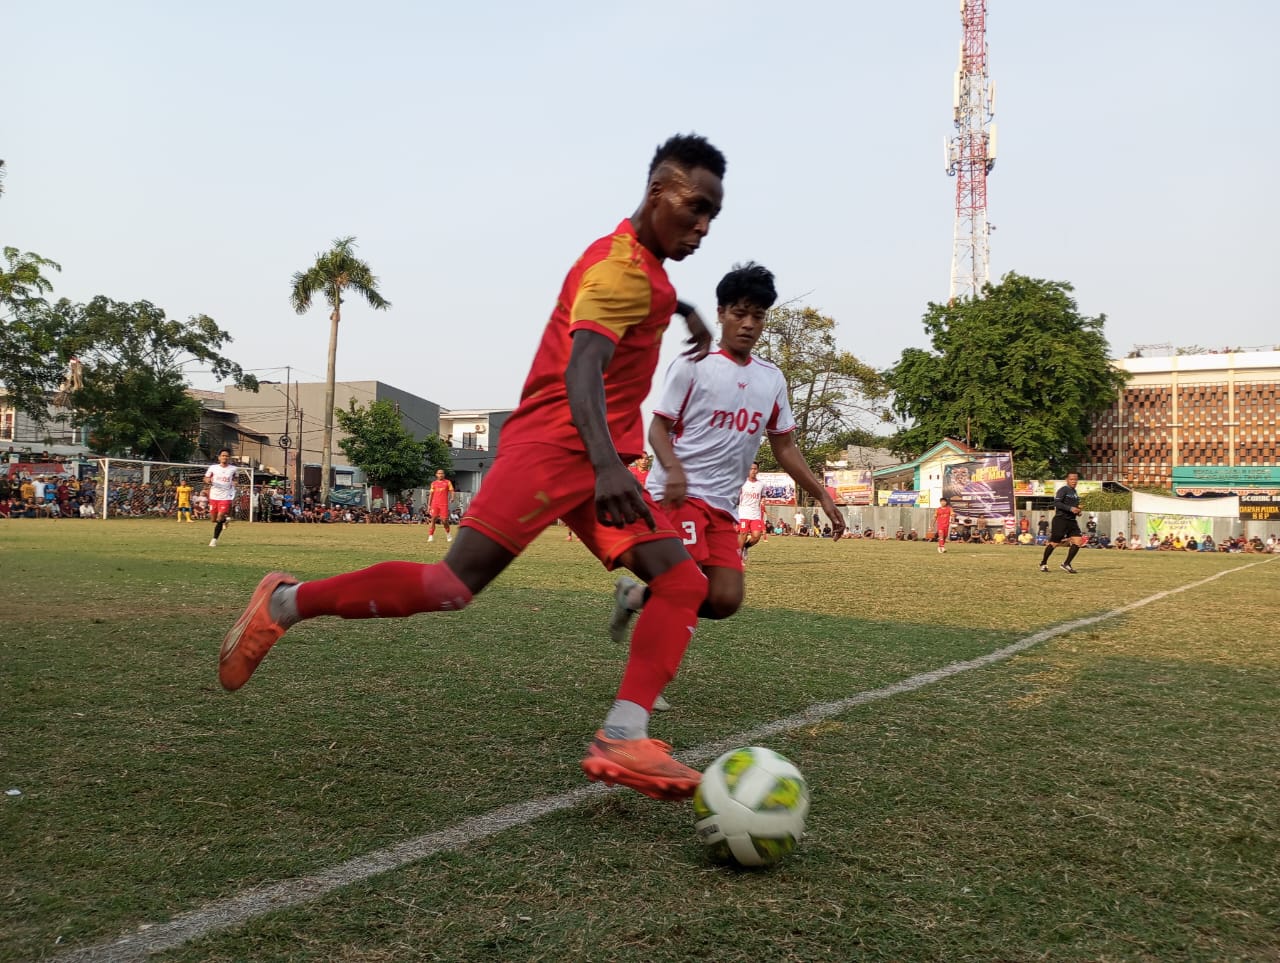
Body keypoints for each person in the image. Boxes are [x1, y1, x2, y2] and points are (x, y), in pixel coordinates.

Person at [218, 133, 727, 802]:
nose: (703, 225)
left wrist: (682, 309)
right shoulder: (620, 272)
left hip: (597, 456)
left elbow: (642, 303)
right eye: (695, 206)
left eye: (713, 213)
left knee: (683, 581)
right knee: (452, 584)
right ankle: (284, 600)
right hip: (556, 446)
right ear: (659, 190)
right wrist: (606, 465)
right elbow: (583, 368)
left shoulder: (642, 270)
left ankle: (625, 733)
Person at [607, 262, 844, 710]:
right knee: (687, 585)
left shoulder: (771, 379)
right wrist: (673, 469)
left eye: (758, 315)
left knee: (724, 600)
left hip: (722, 507)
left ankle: (636, 596)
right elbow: (658, 430)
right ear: (720, 313)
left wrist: (821, 493)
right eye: (740, 313)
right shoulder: (693, 365)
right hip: (679, 495)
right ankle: (644, 690)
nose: (749, 324)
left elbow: (787, 447)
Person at [1039, 472, 1085, 573]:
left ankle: (1066, 564)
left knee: (1078, 541)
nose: (1074, 481)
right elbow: (1056, 503)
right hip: (1061, 520)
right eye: (1072, 479)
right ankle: (1043, 563)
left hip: (1072, 521)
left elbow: (1074, 508)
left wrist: (1078, 511)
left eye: (1075, 479)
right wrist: (1070, 508)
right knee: (1054, 543)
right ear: (1067, 480)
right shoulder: (1063, 490)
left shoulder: (1075, 492)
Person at [203, 449, 238, 547]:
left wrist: (235, 482)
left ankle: (214, 540)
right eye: (223, 455)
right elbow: (205, 478)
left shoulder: (233, 469)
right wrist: (208, 480)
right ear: (219, 457)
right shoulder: (213, 467)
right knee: (213, 520)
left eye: (226, 456)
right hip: (214, 495)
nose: (225, 457)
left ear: (229, 458)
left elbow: (235, 479)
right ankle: (225, 521)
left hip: (226, 496)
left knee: (220, 516)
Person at [737, 462, 766, 561]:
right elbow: (737, 496)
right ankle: (738, 559)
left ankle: (745, 547)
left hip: (755, 514)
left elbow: (762, 496)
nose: (753, 471)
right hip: (744, 513)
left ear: (758, 470)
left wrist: (762, 502)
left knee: (756, 536)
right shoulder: (742, 483)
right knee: (743, 534)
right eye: (751, 469)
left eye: (755, 469)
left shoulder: (761, 484)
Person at [426, 469, 454, 543]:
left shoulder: (448, 482)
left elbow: (452, 491)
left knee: (444, 520)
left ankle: (448, 534)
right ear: (436, 474)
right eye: (439, 473)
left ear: (444, 474)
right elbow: (431, 495)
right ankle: (430, 536)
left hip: (444, 504)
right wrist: (429, 505)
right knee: (433, 519)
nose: (440, 475)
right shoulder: (433, 483)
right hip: (435, 504)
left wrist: (452, 498)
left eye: (442, 473)